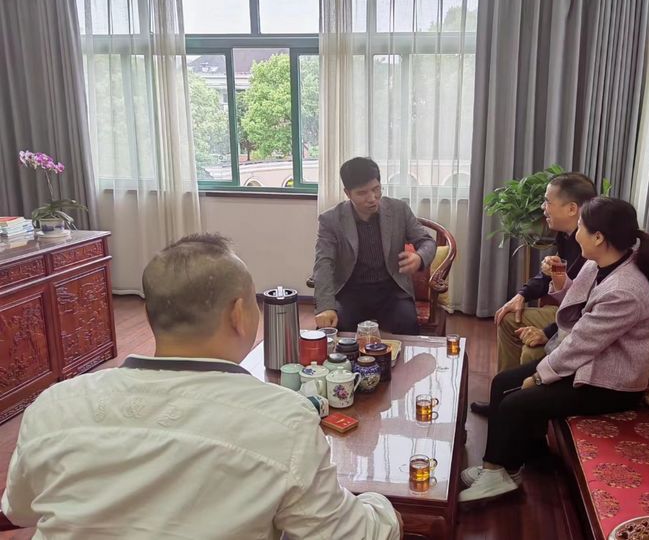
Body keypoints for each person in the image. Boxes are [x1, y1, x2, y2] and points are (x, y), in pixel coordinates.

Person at [1, 234, 403, 539]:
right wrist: (383, 511)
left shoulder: (54, 406)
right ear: (239, 314)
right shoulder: (283, 420)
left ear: (151, 314)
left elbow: (20, 510)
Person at [459, 197, 649, 504]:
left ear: (598, 237)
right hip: (591, 363)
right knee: (502, 383)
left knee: (516, 402)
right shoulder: (600, 264)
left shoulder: (625, 290)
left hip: (611, 383)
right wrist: (560, 281)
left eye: (581, 227)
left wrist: (540, 377)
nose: (576, 234)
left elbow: (583, 342)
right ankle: (501, 468)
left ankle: (496, 471)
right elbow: (580, 305)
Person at [471, 172, 596, 416]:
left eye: (547, 201)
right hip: (568, 312)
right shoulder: (567, 235)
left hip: (574, 319)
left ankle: (515, 404)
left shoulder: (592, 245)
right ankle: (503, 398)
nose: (542, 207)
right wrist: (522, 295)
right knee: (508, 317)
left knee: (527, 341)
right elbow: (555, 276)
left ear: (572, 208)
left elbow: (583, 309)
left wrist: (547, 332)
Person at [313, 157, 436, 334]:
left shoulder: (399, 210)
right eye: (362, 193)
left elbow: (427, 241)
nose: (372, 198)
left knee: (407, 322)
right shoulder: (331, 220)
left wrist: (419, 257)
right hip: (350, 292)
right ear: (348, 193)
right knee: (333, 326)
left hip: (392, 291)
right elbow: (323, 263)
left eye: (376, 189)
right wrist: (325, 306)